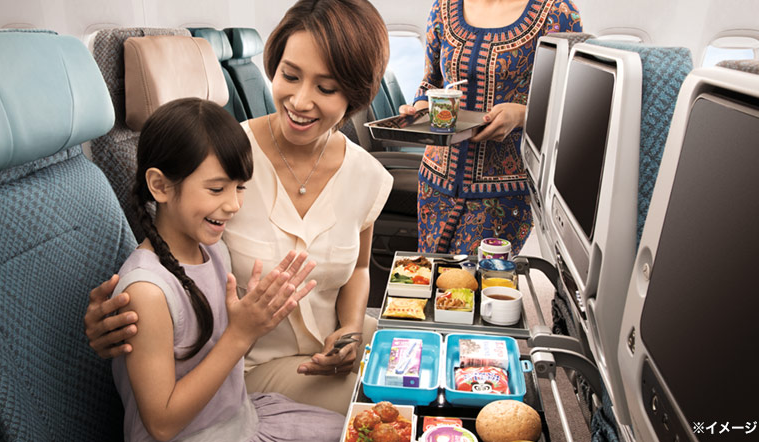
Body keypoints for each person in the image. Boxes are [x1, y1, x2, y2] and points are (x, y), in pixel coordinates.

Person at [85, 0, 392, 414]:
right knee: (385, 403)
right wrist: (112, 318)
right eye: (290, 75)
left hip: (329, 345)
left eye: (326, 88)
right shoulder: (223, 162)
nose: (300, 101)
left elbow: (357, 269)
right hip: (245, 368)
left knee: (424, 358)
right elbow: (165, 262)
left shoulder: (367, 175)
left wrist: (352, 328)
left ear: (355, 95)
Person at [111, 97, 343, 442]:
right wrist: (241, 333)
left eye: (240, 188)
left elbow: (218, 359)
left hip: (241, 418)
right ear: (160, 186)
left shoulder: (214, 250)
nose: (233, 204)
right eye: (217, 189)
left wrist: (259, 317)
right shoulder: (148, 291)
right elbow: (161, 423)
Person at [400, 0, 583, 254]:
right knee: (429, 278)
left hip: (504, 190)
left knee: (481, 286)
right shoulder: (443, 7)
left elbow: (574, 103)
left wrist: (522, 115)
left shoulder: (557, 13)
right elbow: (431, 83)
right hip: (436, 180)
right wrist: (418, 108)